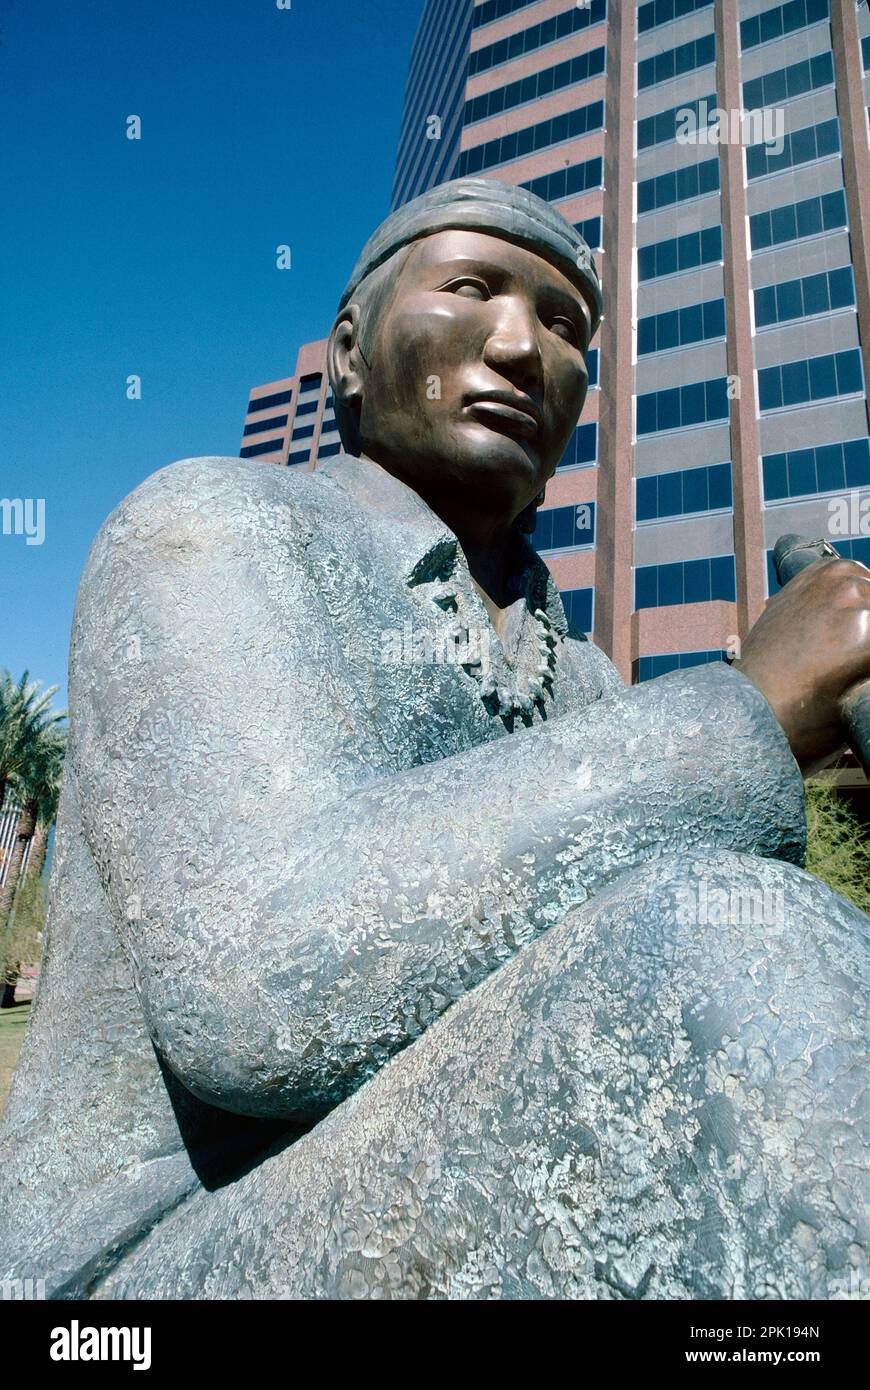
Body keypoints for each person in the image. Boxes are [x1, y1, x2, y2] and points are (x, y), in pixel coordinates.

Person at [1, 179, 867, 1300]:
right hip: (157, 1260)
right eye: (472, 288)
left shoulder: (587, 679)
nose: (523, 346)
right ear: (351, 354)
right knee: (700, 957)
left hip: (453, 1176)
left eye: (565, 327)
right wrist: (744, 716)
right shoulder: (209, 528)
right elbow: (256, 983)